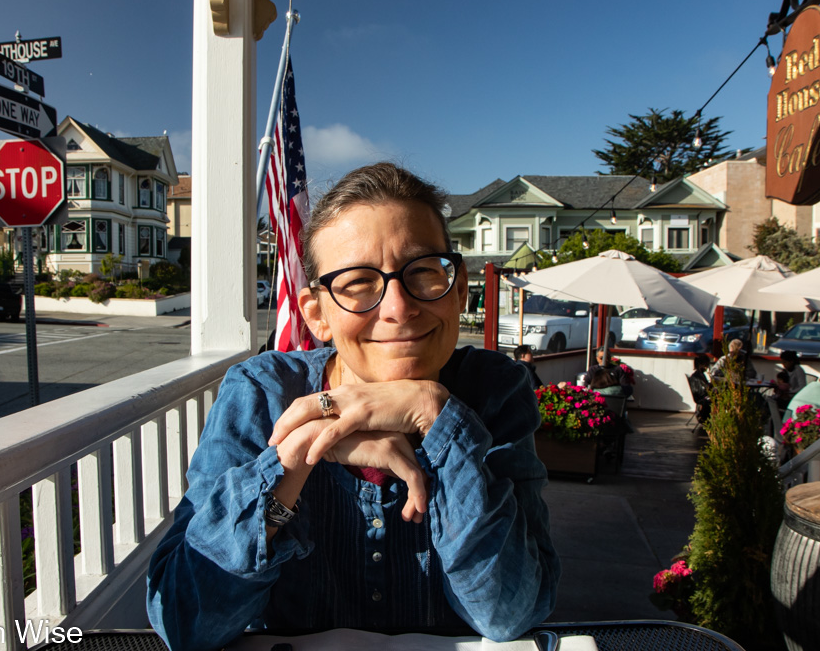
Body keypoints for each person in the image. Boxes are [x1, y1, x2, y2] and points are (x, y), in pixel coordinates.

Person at [146, 163, 560, 651]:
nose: (398, 308)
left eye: (423, 272)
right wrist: (296, 455)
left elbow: (509, 612)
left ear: (459, 288)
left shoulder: (495, 390)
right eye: (358, 282)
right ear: (316, 314)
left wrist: (435, 413)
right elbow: (184, 623)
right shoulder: (260, 393)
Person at [688, 355, 712, 424]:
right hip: (702, 397)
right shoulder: (698, 375)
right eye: (706, 365)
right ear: (703, 364)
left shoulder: (699, 374)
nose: (707, 367)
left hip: (701, 395)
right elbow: (704, 388)